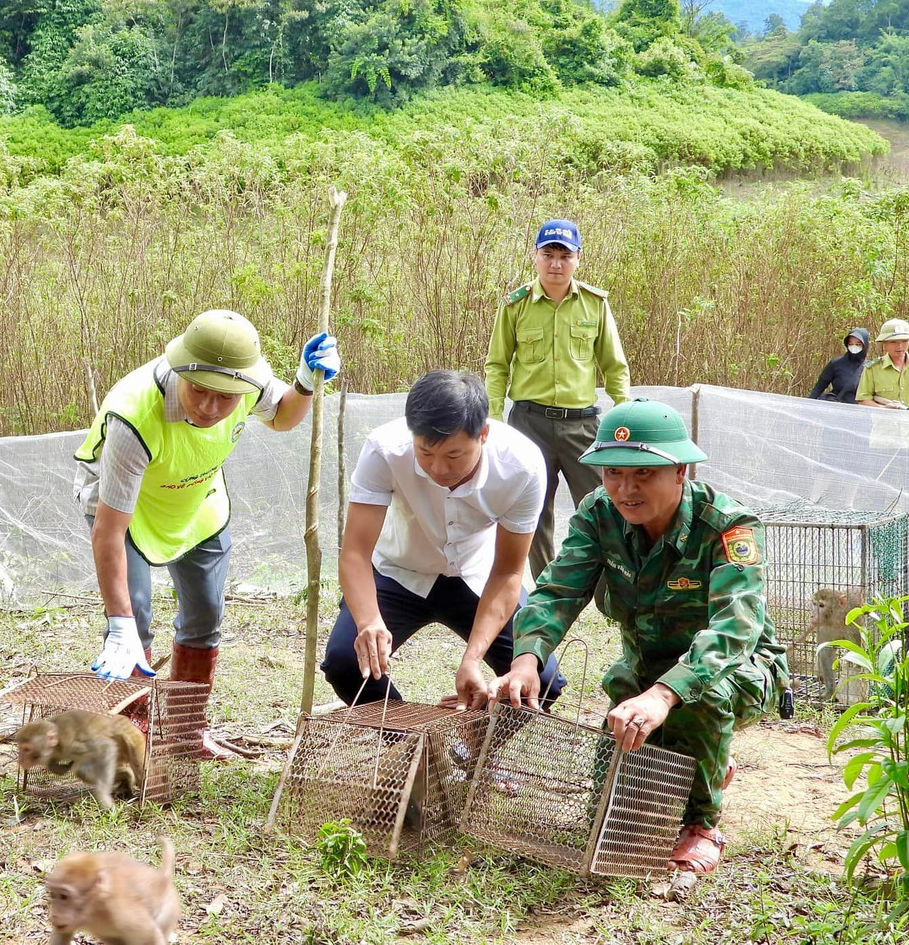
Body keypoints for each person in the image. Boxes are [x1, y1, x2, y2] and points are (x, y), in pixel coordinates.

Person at [491, 399, 789, 876]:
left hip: (737, 669)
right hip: (643, 669)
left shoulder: (728, 526)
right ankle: (697, 759)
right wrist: (527, 658)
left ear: (681, 471)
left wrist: (665, 695)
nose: (625, 489)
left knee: (702, 699)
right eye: (612, 472)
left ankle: (701, 825)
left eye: (643, 474)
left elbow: (735, 629)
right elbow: (556, 590)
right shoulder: (599, 513)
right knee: (617, 818)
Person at [74, 311, 339, 759]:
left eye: (226, 398)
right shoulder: (133, 415)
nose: (211, 408)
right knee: (134, 616)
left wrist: (306, 380)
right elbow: (108, 531)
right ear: (180, 370)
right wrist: (119, 624)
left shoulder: (247, 382)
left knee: (206, 613)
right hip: (129, 513)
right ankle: (133, 741)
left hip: (197, 502)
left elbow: (282, 417)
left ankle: (184, 733)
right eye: (199, 390)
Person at [320, 370, 566, 709]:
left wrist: (472, 658)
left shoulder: (521, 466)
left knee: (541, 679)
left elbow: (508, 572)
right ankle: (413, 746)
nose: (438, 468)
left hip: (477, 576)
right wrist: (369, 621)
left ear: (483, 434)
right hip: (398, 572)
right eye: (425, 453)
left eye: (453, 456)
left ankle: (473, 750)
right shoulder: (384, 449)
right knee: (346, 663)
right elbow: (355, 554)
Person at [484, 219, 630, 585]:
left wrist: (624, 409)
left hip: (582, 425)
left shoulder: (595, 305)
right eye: (548, 255)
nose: (555, 264)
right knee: (531, 511)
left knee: (604, 506)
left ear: (578, 259)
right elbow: (497, 365)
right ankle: (548, 588)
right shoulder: (516, 305)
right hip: (528, 424)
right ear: (535, 256)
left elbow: (614, 364)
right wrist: (493, 418)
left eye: (564, 256)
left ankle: (611, 585)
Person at [856, 319, 909, 411]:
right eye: (893, 342)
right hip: (886, 424)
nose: (900, 346)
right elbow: (863, 400)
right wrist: (884, 408)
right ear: (884, 344)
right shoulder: (872, 369)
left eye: (904, 341)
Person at [809, 327, 869, 402]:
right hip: (835, 408)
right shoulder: (836, 363)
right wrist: (807, 405)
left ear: (865, 345)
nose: (854, 347)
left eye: (858, 344)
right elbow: (818, 388)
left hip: (858, 410)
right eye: (851, 344)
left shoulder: (870, 368)